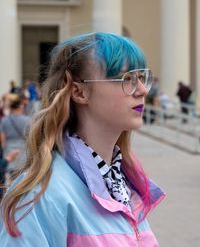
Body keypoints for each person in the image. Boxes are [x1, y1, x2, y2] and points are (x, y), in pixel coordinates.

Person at [0, 32, 165, 246]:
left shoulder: (123, 184)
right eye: (126, 79)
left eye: (142, 78)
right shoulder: (40, 196)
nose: (142, 90)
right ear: (79, 92)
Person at [0, 95, 31, 174]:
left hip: (10, 151)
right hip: (23, 150)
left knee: (11, 177)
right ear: (20, 106)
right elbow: (30, 137)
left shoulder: (4, 120)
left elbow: (3, 140)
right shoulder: (28, 120)